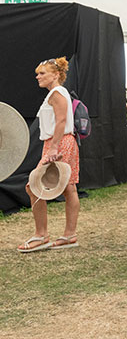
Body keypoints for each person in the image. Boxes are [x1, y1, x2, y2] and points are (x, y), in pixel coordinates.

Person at [18, 57, 81, 252]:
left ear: (56, 75)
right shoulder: (56, 93)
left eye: (42, 73)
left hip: (59, 143)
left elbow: (61, 121)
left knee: (34, 186)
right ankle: (69, 235)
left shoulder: (56, 93)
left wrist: (54, 148)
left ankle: (42, 235)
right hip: (61, 141)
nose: (37, 76)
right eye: (38, 73)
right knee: (68, 188)